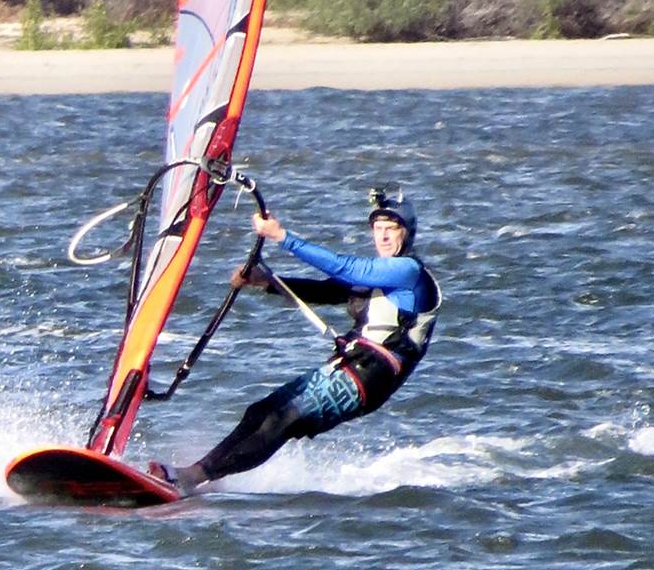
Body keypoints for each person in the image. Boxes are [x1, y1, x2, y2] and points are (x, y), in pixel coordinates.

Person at [149, 187, 440, 493]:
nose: (383, 236)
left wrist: (282, 236)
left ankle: (189, 478)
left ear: (407, 233)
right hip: (348, 366)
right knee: (261, 411)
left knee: (282, 419)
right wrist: (266, 282)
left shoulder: (408, 272)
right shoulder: (381, 275)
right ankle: (193, 475)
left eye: (391, 229)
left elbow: (343, 266)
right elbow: (327, 290)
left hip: (369, 377)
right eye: (378, 229)